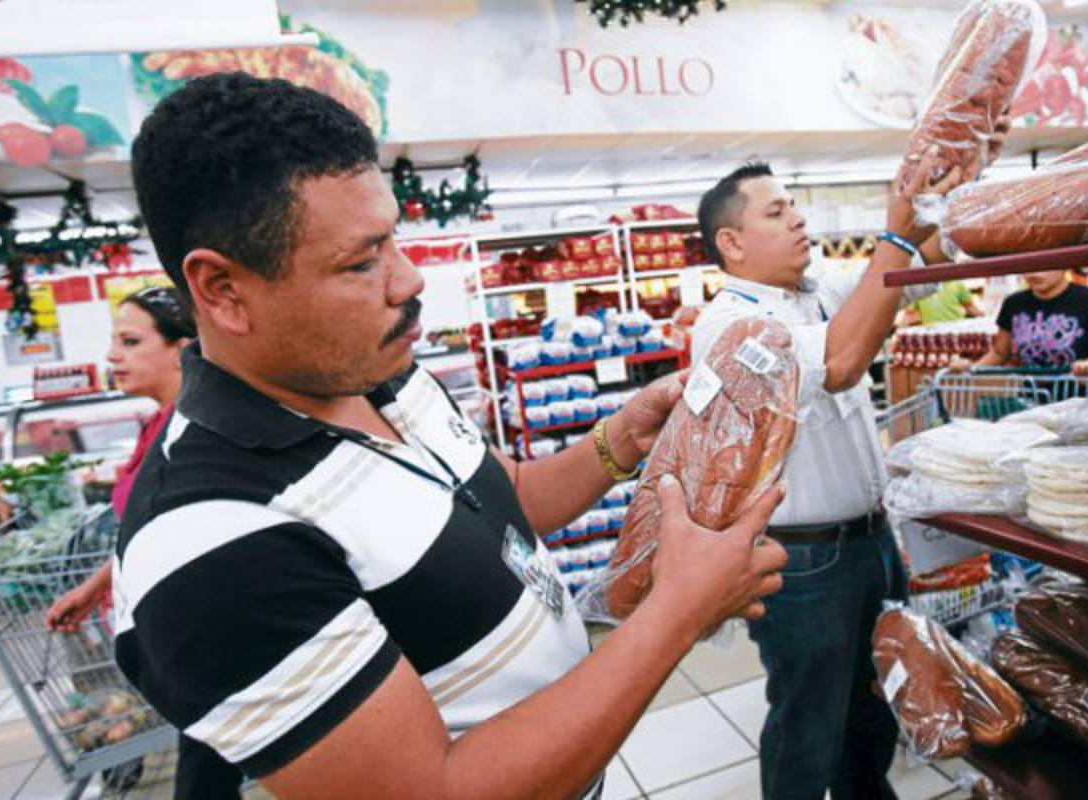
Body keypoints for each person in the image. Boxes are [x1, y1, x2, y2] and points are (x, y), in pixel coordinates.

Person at [114, 72, 789, 800]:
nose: (410, 281)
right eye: (361, 261)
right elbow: (433, 790)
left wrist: (618, 439)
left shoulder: (377, 374)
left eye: (393, 240)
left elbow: (504, 498)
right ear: (222, 290)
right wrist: (678, 613)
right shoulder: (208, 535)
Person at [692, 153, 973, 800]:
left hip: (872, 543)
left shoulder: (820, 293)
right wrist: (895, 234)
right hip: (803, 564)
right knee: (808, 725)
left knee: (874, 706)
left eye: (793, 206)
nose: (798, 219)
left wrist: (949, 189)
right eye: (776, 212)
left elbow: (917, 266)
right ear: (732, 243)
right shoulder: (728, 328)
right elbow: (842, 362)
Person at [45, 286, 194, 632]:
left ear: (181, 350)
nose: (112, 356)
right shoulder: (159, 424)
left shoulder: (189, 432)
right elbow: (147, 529)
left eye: (130, 342)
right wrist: (95, 589)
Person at [950, 270, 1088, 376]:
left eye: (1045, 264)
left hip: (1080, 397)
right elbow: (1000, 353)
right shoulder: (1014, 303)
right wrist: (971, 368)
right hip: (1030, 398)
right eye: (1029, 266)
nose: (1034, 273)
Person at [899, 279, 983, 327]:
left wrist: (984, 317)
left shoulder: (956, 284)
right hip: (932, 333)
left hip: (956, 329)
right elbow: (909, 314)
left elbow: (969, 306)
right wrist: (900, 331)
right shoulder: (920, 287)